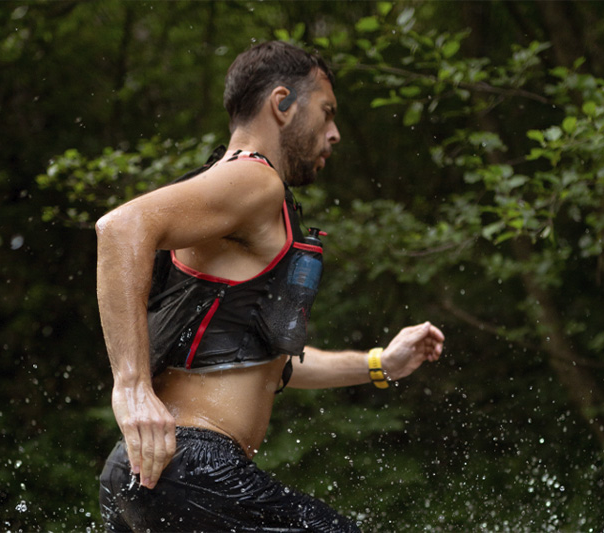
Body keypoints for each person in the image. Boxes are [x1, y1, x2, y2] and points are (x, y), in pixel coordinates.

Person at [96, 41, 445, 532]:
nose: (335, 134)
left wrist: (379, 365)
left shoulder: (230, 197)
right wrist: (131, 387)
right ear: (282, 104)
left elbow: (263, 362)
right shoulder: (256, 181)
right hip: (191, 467)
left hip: (144, 471)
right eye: (326, 113)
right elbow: (120, 229)